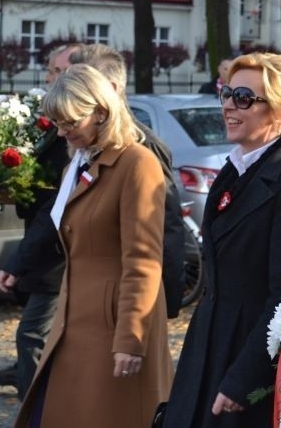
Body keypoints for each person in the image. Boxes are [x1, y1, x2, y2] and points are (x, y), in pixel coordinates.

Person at [164, 53, 281, 427]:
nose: (229, 106)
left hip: (246, 353)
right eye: (227, 93)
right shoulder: (236, 168)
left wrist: (245, 378)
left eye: (245, 98)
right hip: (208, 341)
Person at [14, 65, 173, 427]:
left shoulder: (137, 163)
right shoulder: (83, 159)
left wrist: (130, 338)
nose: (63, 132)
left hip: (114, 325)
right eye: (58, 124)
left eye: (70, 123)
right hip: (76, 319)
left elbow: (143, 260)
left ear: (101, 111)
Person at [0, 44, 80, 398]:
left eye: (56, 72)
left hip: (55, 254)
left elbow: (58, 204)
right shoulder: (52, 127)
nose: (49, 78)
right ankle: (27, 378)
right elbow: (43, 192)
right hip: (41, 247)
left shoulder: (80, 139)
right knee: (38, 333)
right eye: (50, 71)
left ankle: (32, 396)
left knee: (32, 334)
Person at [69, 43, 186, 317]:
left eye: (81, 84)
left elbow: (165, 228)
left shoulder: (143, 149)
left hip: (124, 299)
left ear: (110, 89)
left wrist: (163, 302)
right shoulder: (82, 146)